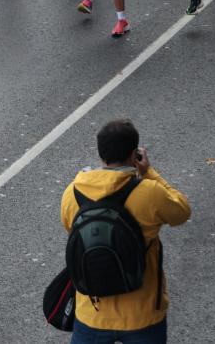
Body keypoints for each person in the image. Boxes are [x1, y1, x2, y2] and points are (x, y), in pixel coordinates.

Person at [60, 118, 191, 343]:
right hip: (142, 314)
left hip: (92, 313)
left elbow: (71, 230)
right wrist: (149, 171)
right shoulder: (149, 193)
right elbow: (182, 211)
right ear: (134, 155)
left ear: (101, 154)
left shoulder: (73, 193)